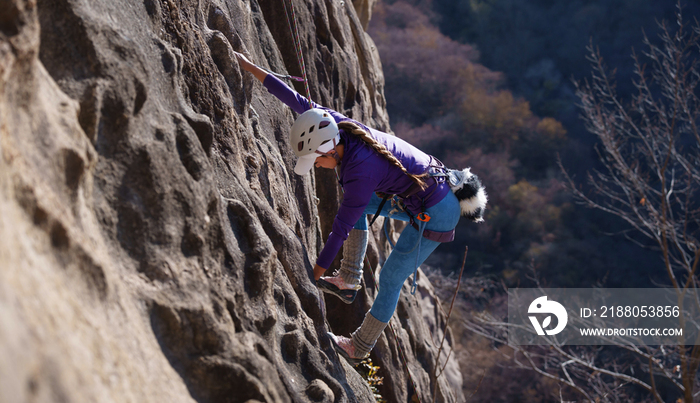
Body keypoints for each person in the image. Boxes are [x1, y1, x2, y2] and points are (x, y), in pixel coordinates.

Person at [235, 52, 461, 364]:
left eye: (317, 160)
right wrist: (249, 66)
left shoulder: (360, 173)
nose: (316, 165)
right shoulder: (331, 124)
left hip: (437, 210)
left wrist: (312, 276)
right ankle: (350, 277)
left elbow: (341, 227)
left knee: (391, 277)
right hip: (424, 191)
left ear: (329, 150)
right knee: (362, 210)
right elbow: (294, 98)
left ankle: (360, 346)